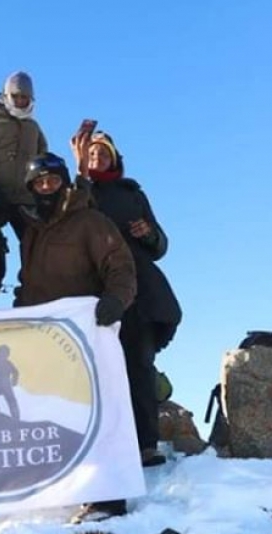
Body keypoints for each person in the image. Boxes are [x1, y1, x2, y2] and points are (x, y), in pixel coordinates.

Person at [12, 151, 139, 524]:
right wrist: (17, 316)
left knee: (97, 412)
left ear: (65, 182)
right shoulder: (33, 232)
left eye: (52, 180)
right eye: (39, 183)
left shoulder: (90, 221)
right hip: (45, 338)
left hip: (85, 334)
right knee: (53, 412)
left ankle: (109, 495)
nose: (46, 188)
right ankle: (67, 485)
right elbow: (29, 284)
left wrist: (117, 298)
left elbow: (120, 264)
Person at [83, 129, 182, 467]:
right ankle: (104, 445)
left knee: (139, 365)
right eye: (93, 154)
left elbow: (161, 244)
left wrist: (149, 234)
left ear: (115, 158)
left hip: (140, 292)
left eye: (104, 154)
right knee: (99, 370)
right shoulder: (81, 192)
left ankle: (146, 444)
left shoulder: (131, 192)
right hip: (95, 289)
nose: (99, 159)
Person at [0, 71, 48, 242]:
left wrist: (42, 188)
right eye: (16, 97)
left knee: (36, 243)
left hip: (26, 197)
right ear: (6, 96)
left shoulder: (33, 127)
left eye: (24, 98)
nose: (20, 101)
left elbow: (43, 158)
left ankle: (32, 268)